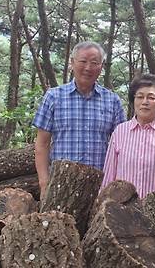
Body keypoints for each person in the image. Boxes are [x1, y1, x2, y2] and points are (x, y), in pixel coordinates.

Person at [32, 41, 126, 197]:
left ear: (101, 67)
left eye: (94, 63)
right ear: (72, 63)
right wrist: (44, 182)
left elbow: (122, 147)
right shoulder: (53, 97)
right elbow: (42, 144)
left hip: (101, 186)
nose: (88, 68)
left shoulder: (112, 100)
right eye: (83, 61)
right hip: (61, 184)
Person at [100, 74, 155, 197]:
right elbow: (109, 175)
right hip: (121, 210)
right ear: (133, 101)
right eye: (139, 97)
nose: (144, 102)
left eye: (151, 98)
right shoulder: (120, 132)